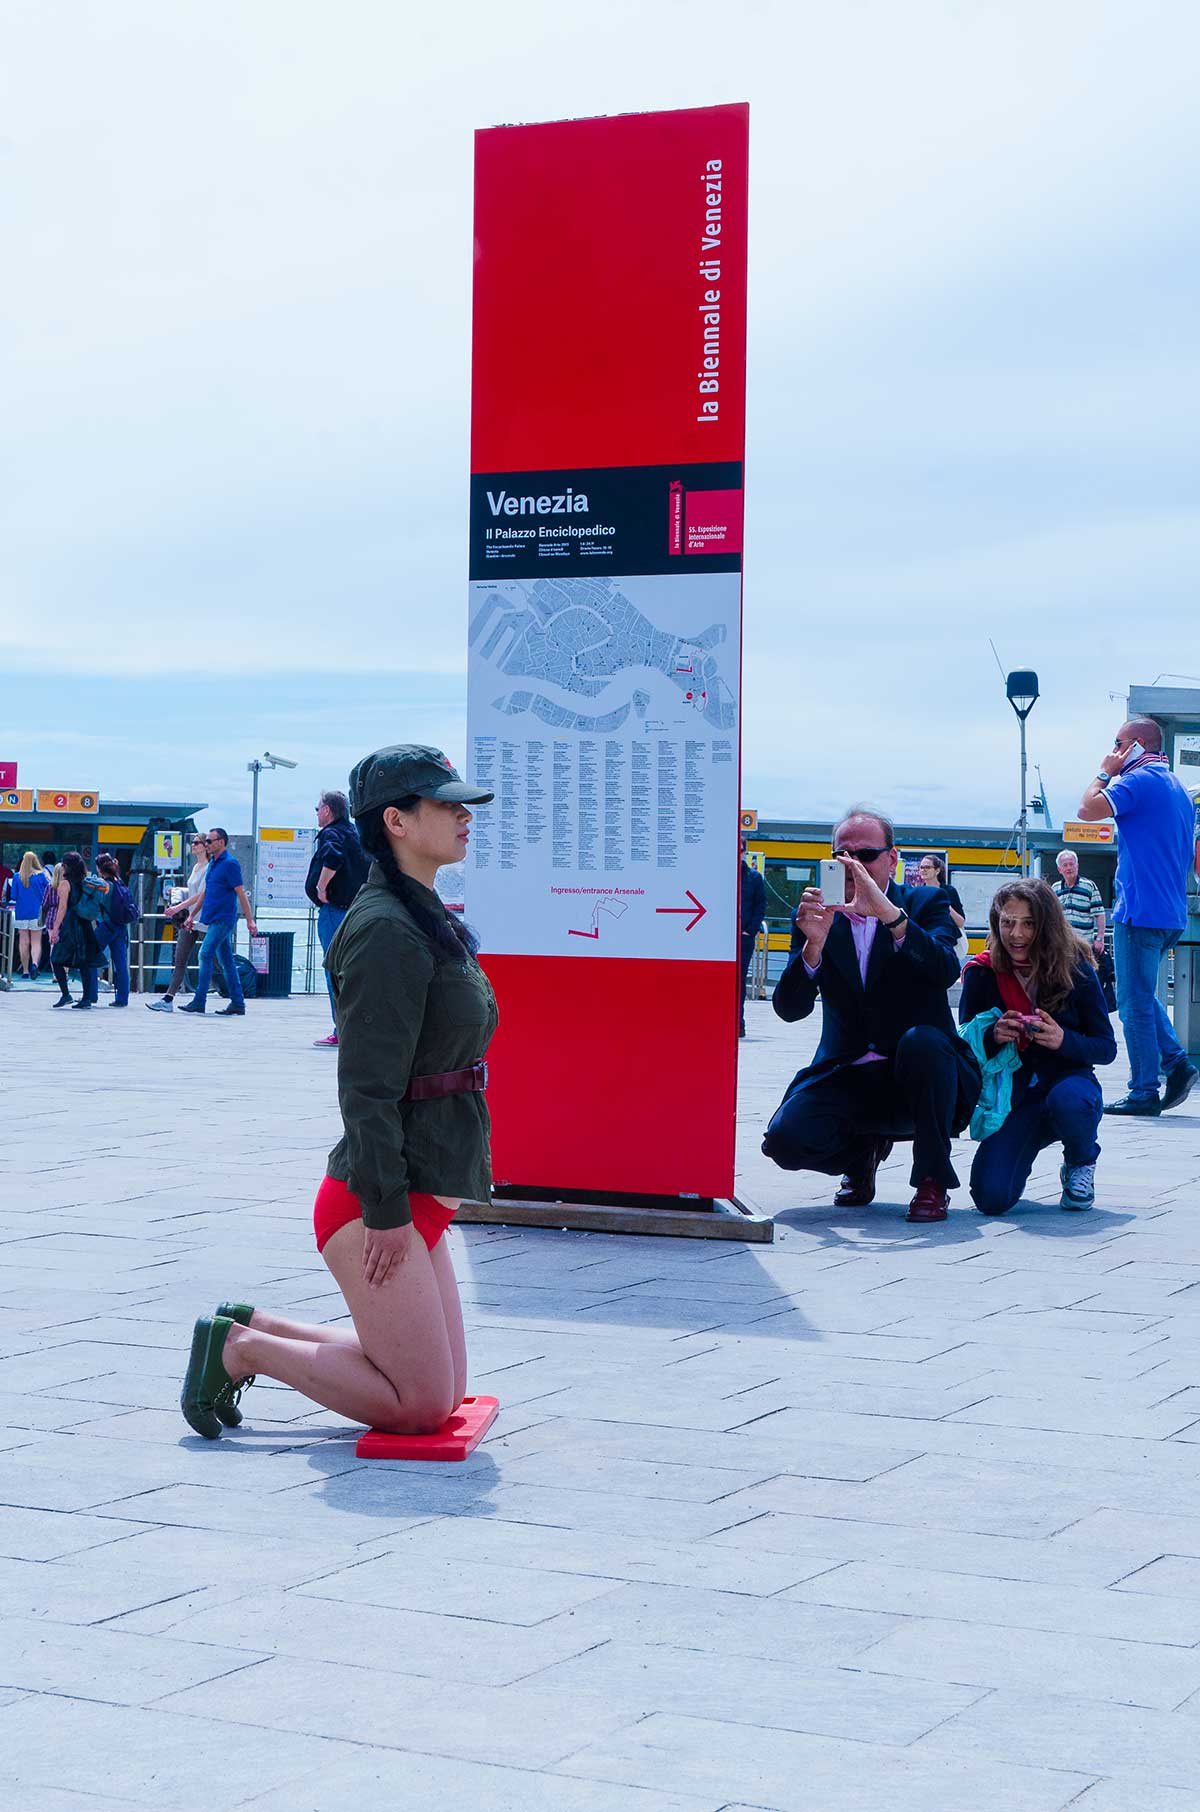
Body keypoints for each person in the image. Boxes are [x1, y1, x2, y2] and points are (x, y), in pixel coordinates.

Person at [179, 744, 497, 1440]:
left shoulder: (423, 912)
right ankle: (243, 1352)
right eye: (446, 804)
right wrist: (385, 1214)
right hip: (380, 1200)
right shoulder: (386, 928)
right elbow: (366, 1087)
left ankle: (250, 1325)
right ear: (398, 822)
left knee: (442, 1394)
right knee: (416, 1407)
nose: (464, 815)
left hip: (419, 1186)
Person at [762, 808, 981, 1223]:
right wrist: (813, 948)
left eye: (865, 855)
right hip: (848, 1070)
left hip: (921, 1073)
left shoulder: (926, 902)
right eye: (841, 855)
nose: (852, 866)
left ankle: (932, 1180)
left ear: (892, 859)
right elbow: (790, 1010)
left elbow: (944, 969)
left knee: (923, 1042)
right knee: (784, 1141)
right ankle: (861, 1154)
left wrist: (891, 918)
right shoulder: (816, 915)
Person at [959, 879, 1116, 1214]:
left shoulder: (1076, 968)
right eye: (1007, 923)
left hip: (1067, 1084)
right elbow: (964, 1045)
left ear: (1046, 924)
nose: (1016, 934)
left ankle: (1080, 1159)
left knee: (1070, 1103)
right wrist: (992, 1036)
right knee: (991, 1199)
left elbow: (1106, 1048)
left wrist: (1064, 1040)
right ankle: (1027, 1139)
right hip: (1013, 1097)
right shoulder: (981, 972)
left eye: (1028, 923)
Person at [1076, 716, 1198, 1115]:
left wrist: (1103, 772)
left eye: (1120, 743)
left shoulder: (1140, 779)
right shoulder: (1176, 786)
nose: (1114, 751)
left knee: (1132, 1002)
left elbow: (1087, 809)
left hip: (1141, 908)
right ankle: (1176, 1067)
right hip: (1169, 911)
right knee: (1142, 997)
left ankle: (1145, 1090)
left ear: (1139, 745)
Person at [305, 789, 369, 1050]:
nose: (317, 813)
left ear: (328, 810)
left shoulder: (331, 834)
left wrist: (321, 888)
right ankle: (353, 1027)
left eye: (318, 808)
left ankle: (340, 1030)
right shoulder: (354, 833)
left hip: (335, 911)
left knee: (334, 969)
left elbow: (332, 857)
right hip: (355, 910)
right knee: (351, 970)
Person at [176, 829, 256, 1018]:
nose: (207, 844)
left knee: (204, 953)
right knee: (226, 961)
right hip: (212, 918)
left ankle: (199, 1000)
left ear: (221, 842)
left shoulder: (230, 864)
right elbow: (205, 893)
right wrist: (192, 915)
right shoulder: (213, 863)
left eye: (210, 841)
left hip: (224, 919)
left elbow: (241, 893)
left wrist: (250, 920)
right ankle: (238, 1003)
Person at [146, 833, 209, 1012]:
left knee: (215, 958)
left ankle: (236, 989)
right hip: (190, 920)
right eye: (193, 842)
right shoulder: (196, 866)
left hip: (203, 918)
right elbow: (192, 892)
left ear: (205, 846)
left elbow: (200, 895)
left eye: (197, 842)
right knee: (180, 959)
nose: (193, 845)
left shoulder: (208, 868)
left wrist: (178, 907)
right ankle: (168, 998)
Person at [1052, 848, 1114, 1010]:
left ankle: (1087, 1010)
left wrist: (1099, 939)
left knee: (1084, 979)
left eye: (1071, 864)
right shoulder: (1055, 888)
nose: (1069, 868)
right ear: (1059, 869)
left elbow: (1099, 914)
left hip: (1084, 944)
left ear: (1077, 866)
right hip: (1062, 945)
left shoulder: (1088, 886)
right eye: (1065, 865)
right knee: (1062, 980)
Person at [47, 850, 103, 1010]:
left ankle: (66, 994)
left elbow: (62, 908)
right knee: (84, 963)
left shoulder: (65, 884)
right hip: (85, 924)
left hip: (71, 926)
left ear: (67, 867)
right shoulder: (85, 881)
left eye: (63, 864)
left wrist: (55, 929)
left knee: (56, 959)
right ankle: (86, 998)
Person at [92, 853, 134, 1008]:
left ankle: (91, 995)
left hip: (106, 926)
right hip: (121, 927)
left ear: (99, 868)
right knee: (121, 963)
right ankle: (122, 999)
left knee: (91, 958)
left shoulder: (103, 885)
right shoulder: (119, 881)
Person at [738, 837, 767, 1038]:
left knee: (739, 980)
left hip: (744, 938)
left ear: (744, 852)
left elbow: (761, 905)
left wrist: (751, 930)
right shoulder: (720, 875)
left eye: (740, 849)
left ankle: (738, 1022)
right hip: (722, 940)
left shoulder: (753, 878)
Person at [10, 853, 50, 980]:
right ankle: (35, 964)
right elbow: (47, 893)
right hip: (37, 913)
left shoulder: (17, 877)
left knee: (24, 941)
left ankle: (25, 970)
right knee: (36, 942)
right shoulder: (41, 876)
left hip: (21, 913)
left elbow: (13, 896)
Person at [42, 864, 71, 1004]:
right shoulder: (69, 886)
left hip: (52, 917)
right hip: (65, 918)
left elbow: (45, 903)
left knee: (53, 946)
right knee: (65, 946)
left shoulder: (50, 887)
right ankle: (65, 972)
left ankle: (55, 974)